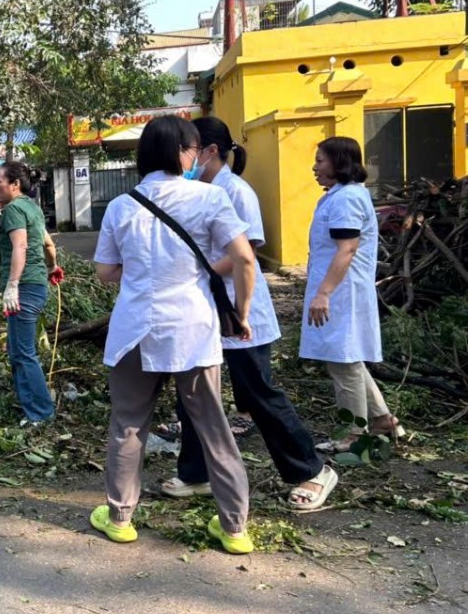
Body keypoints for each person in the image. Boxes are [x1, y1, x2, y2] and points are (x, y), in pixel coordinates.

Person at [91, 116, 258, 554]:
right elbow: (243, 259)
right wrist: (240, 313)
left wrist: (146, 273)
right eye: (194, 148)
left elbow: (106, 272)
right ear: (185, 151)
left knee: (128, 424)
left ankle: (120, 518)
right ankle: (235, 528)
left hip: (134, 331)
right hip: (193, 331)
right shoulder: (209, 198)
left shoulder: (120, 207)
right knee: (214, 429)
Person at [161, 117, 338, 511]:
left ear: (207, 151)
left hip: (241, 311)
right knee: (194, 391)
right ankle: (196, 473)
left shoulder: (236, 191)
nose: (182, 158)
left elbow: (247, 250)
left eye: (186, 149)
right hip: (206, 309)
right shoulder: (195, 190)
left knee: (256, 394)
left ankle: (311, 470)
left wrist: (191, 270)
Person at [301, 136, 402, 450]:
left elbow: (347, 249)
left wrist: (324, 293)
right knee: (347, 357)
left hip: (341, 291)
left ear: (339, 163)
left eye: (320, 160)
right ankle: (382, 419)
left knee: (343, 360)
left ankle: (354, 434)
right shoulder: (341, 195)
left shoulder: (346, 199)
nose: (314, 167)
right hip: (339, 289)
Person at [0, 161, 62, 425]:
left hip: (23, 287)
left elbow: (20, 247)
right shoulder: (32, 208)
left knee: (23, 352)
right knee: (16, 349)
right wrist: (52, 267)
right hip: (35, 285)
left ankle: (41, 413)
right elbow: (48, 243)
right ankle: (32, 407)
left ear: (15, 184)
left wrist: (12, 284)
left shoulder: (13, 210)